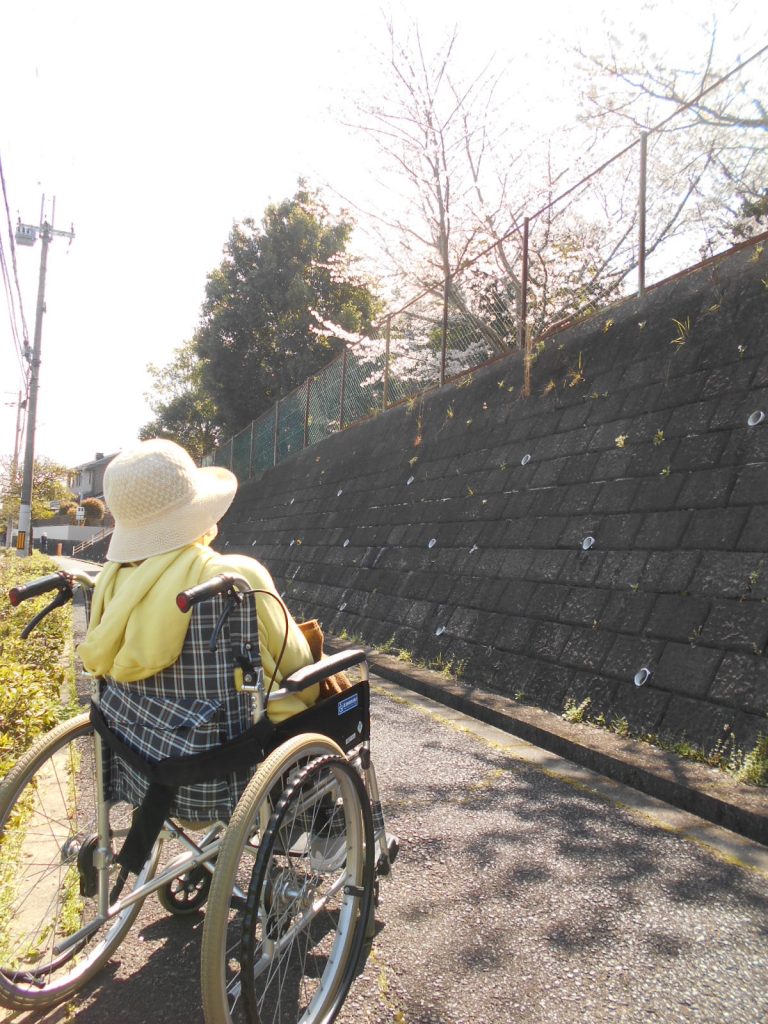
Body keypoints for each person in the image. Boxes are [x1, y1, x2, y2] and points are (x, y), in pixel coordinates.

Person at [77, 438, 316, 822]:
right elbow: (298, 667)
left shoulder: (110, 582)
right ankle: (324, 817)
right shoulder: (230, 577)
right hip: (234, 767)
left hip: (142, 760)